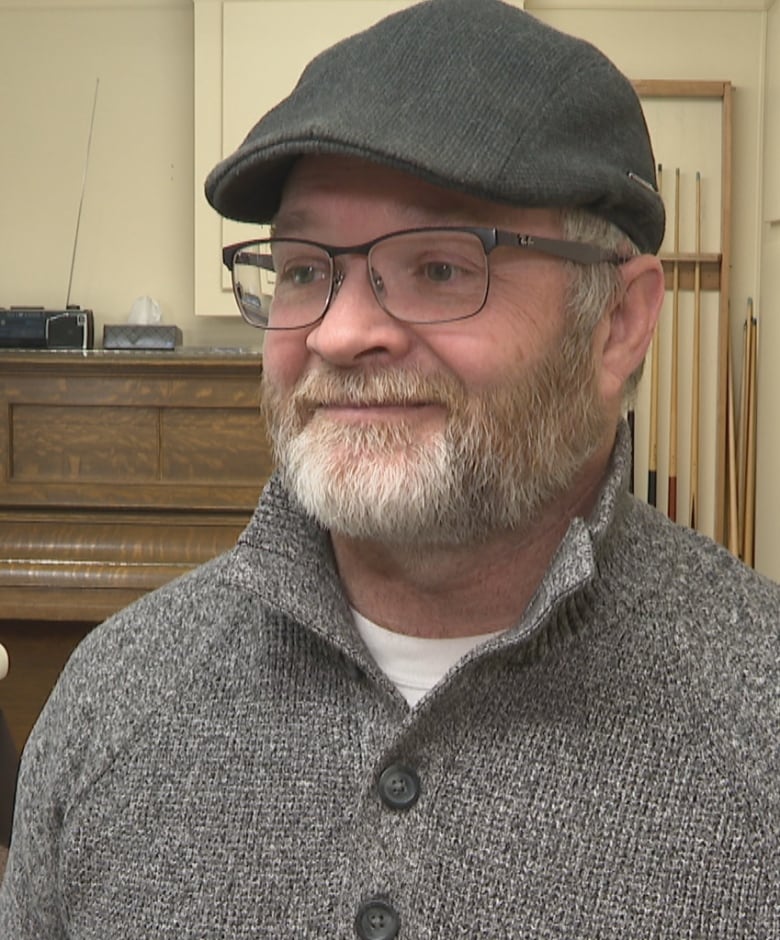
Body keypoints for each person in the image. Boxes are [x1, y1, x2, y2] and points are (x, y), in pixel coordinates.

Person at [2, 0, 778, 935]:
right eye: (299, 268)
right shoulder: (111, 700)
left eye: (442, 268)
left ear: (617, 325)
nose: (337, 331)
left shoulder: (756, 717)